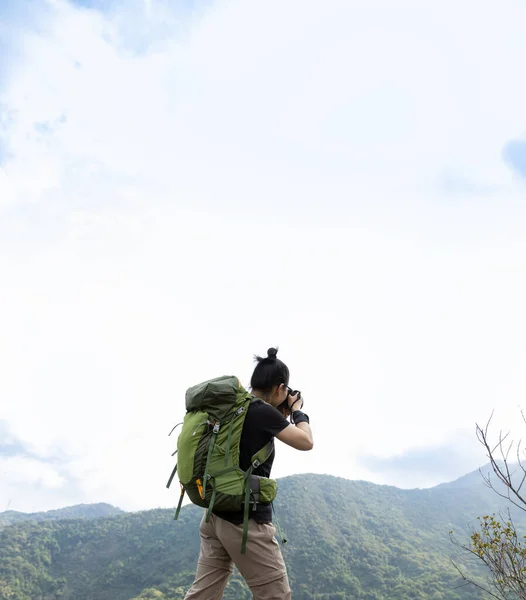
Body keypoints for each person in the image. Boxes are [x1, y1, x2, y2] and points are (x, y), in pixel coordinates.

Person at [184, 347, 314, 600]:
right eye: (286, 391)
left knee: (203, 595)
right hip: (245, 520)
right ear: (280, 388)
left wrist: (280, 412)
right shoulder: (261, 412)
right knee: (276, 595)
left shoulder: (234, 408)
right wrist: (298, 411)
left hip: (214, 514)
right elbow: (305, 441)